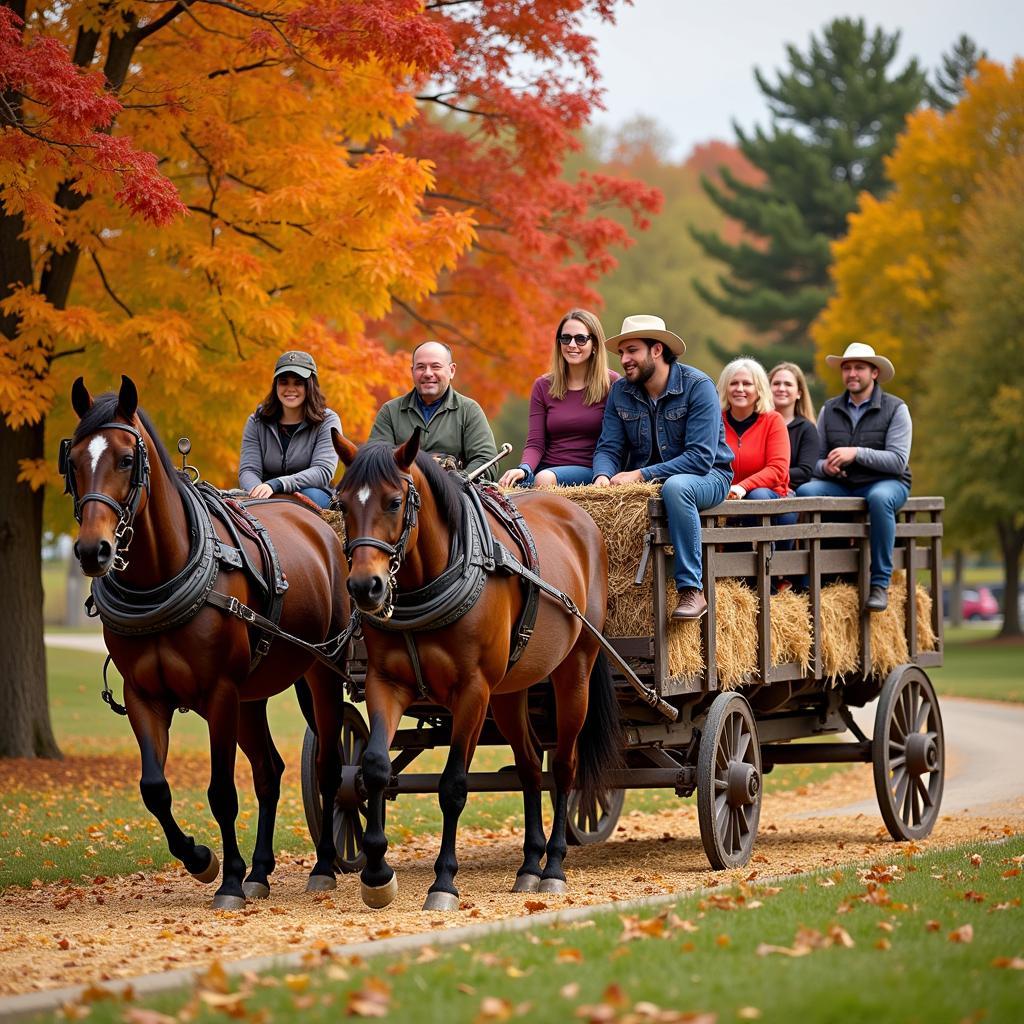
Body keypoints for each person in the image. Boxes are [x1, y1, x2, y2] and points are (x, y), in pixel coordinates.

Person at [592, 314, 733, 621]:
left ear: (656, 350)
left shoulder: (698, 387)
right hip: (648, 479)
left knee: (677, 486)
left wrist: (640, 474)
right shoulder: (621, 392)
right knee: (562, 481)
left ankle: (691, 590)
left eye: (632, 351)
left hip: (708, 476)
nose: (625, 360)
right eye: (622, 353)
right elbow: (608, 447)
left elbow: (699, 458)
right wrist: (602, 475)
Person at [796, 342, 911, 612]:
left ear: (874, 373)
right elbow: (815, 460)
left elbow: (897, 461)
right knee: (805, 493)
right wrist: (828, 468)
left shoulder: (896, 409)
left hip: (887, 483)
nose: (852, 373)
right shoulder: (829, 409)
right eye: (847, 368)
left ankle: (880, 584)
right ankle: (812, 576)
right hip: (843, 484)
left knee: (881, 499)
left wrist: (856, 453)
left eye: (859, 367)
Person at [498, 310, 619, 489]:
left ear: (594, 344)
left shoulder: (612, 384)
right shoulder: (543, 385)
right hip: (544, 472)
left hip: (591, 471)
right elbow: (535, 442)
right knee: (498, 490)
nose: (571, 344)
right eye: (565, 338)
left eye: (580, 339)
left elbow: (615, 443)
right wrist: (524, 469)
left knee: (544, 478)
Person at [368, 341, 499, 479]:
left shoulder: (469, 410)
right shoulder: (390, 411)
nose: (428, 373)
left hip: (455, 497)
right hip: (402, 496)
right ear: (412, 371)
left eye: (436, 366)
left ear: (452, 370)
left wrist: (454, 482)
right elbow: (375, 460)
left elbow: (487, 461)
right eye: (421, 367)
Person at [238, 350, 341, 508]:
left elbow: (322, 471)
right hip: (266, 494)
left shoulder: (328, 421)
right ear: (276, 385)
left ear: (310, 386)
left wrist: (277, 484)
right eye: (284, 382)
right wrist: (256, 492)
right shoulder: (256, 421)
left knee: (311, 496)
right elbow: (248, 470)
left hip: (310, 494)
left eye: (298, 383)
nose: (290, 389)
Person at [718, 357, 790, 501]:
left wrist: (743, 487)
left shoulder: (773, 420)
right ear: (725, 388)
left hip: (770, 498)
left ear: (759, 389)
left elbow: (778, 469)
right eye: (733, 383)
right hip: (725, 497)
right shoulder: (714, 420)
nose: (739, 389)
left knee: (758, 496)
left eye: (747, 384)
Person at [768, 362, 818, 490]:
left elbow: (805, 472)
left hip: (790, 493)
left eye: (788, 384)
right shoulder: (757, 423)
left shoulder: (806, 428)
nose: (781, 388)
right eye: (776, 383)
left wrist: (768, 475)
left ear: (799, 393)